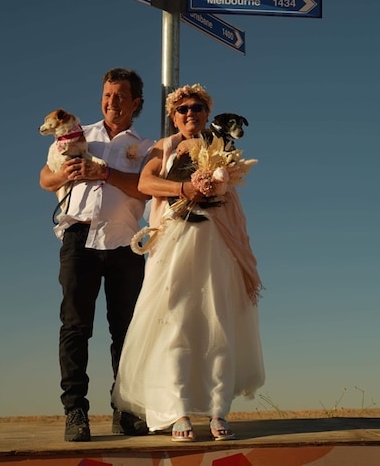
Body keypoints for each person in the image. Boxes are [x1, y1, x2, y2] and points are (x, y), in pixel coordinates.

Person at [112, 84, 265, 442]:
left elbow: (232, 186)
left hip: (215, 243)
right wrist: (184, 190)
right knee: (175, 321)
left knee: (216, 319)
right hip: (174, 243)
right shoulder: (163, 148)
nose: (190, 114)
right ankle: (177, 409)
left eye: (197, 107)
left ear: (207, 112)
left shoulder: (222, 146)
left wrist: (216, 184)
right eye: (182, 109)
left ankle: (217, 409)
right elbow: (147, 181)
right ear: (173, 116)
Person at [39, 67, 154, 442]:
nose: (111, 102)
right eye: (107, 95)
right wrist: (66, 175)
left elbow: (145, 189)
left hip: (125, 242)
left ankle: (125, 410)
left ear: (135, 103)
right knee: (75, 327)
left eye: (120, 96)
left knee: (126, 332)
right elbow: (44, 178)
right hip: (79, 238)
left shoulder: (146, 146)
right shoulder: (77, 135)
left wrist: (103, 173)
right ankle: (75, 413)